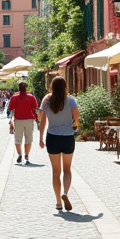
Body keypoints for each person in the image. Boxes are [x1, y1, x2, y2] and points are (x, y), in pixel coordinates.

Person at [38, 77, 79, 211]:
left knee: (56, 172)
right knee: (67, 169)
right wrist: (74, 126)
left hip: (52, 137)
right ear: (65, 86)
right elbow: (77, 119)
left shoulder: (47, 100)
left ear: (52, 86)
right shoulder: (71, 100)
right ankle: (65, 193)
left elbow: (42, 121)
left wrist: (40, 138)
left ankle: (58, 202)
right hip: (67, 137)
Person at [8, 82, 40, 164]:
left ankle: (20, 155)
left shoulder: (14, 97)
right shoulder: (31, 97)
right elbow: (35, 107)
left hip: (18, 119)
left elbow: (11, 107)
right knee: (28, 138)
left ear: (19, 88)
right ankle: (26, 155)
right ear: (26, 88)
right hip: (29, 119)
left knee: (17, 139)